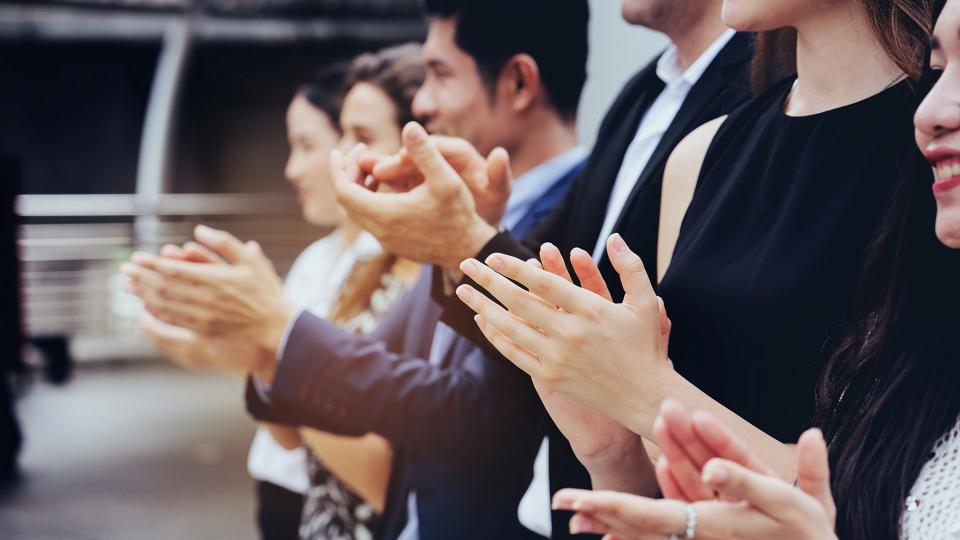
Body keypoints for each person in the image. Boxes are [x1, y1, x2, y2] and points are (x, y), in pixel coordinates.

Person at [124, 1, 591, 538]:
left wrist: (275, 331)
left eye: (439, 73)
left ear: (518, 84)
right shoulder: (458, 223)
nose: (424, 101)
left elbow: (474, 415)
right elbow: (386, 385)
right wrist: (257, 348)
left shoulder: (576, 217)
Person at [452, 0, 936, 495]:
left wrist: (647, 391)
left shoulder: (937, 160)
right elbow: (663, 502)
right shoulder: (699, 154)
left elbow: (893, 503)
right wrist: (612, 450)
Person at [134, 44, 426, 540]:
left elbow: (386, 479)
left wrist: (277, 349)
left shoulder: (432, 281)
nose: (347, 160)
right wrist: (257, 353)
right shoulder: (365, 268)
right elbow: (292, 430)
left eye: (361, 137)